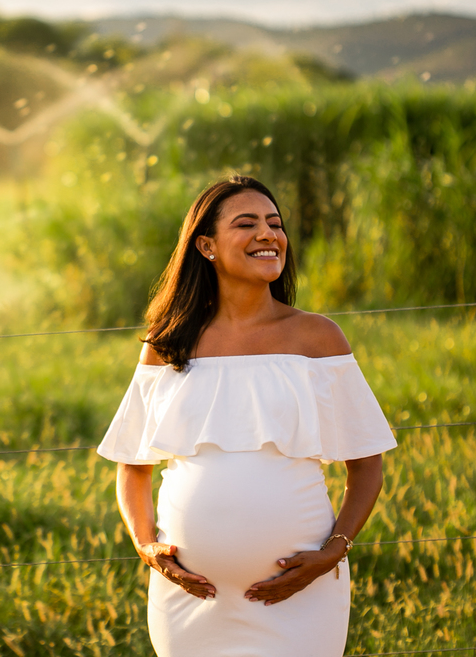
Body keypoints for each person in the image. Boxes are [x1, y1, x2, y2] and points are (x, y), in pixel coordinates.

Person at [97, 175, 397, 657]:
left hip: (301, 593)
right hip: (190, 598)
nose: (268, 234)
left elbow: (367, 465)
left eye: (275, 224)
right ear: (206, 245)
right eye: (247, 223)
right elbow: (132, 463)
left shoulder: (317, 340)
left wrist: (332, 553)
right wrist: (145, 544)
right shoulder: (168, 343)